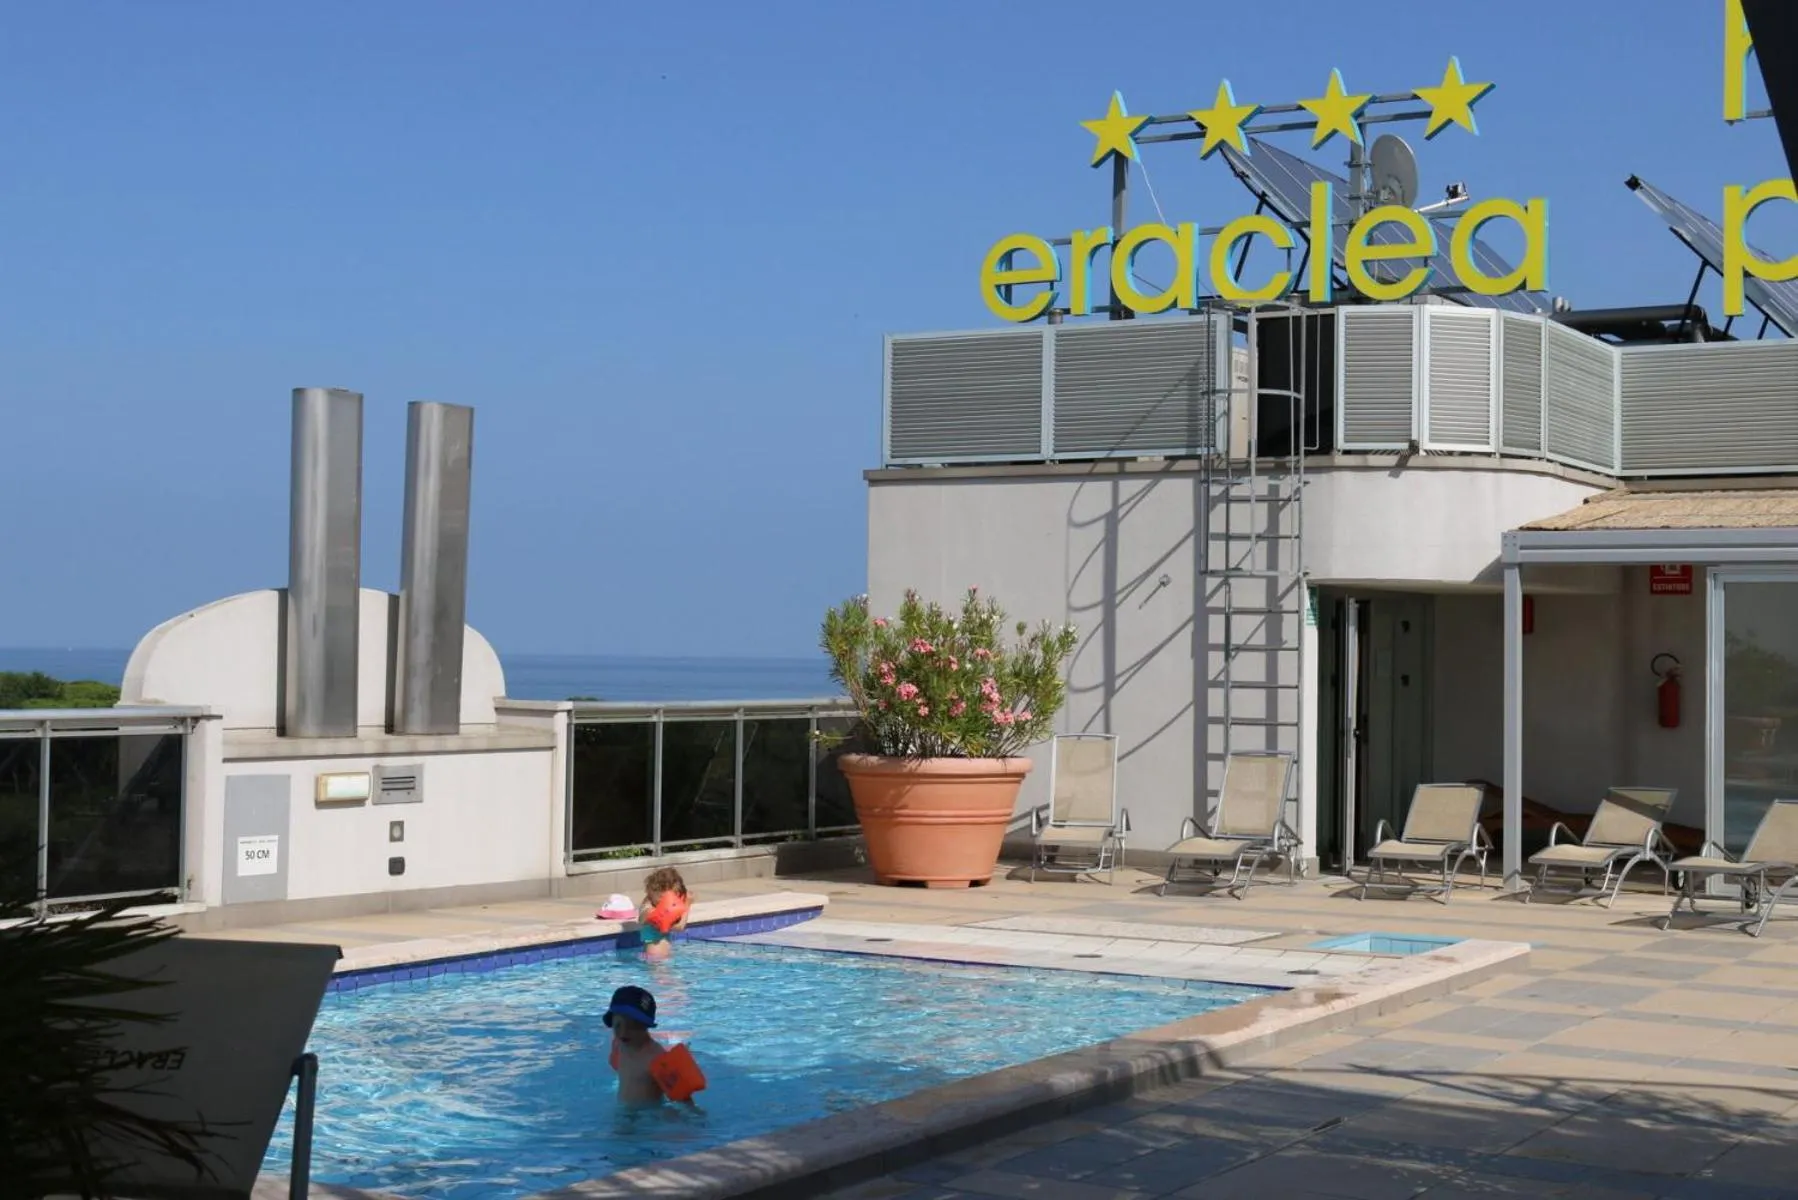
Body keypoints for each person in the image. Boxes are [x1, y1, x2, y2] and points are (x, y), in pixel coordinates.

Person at [605, 985, 669, 1106]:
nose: (623, 1032)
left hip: (648, 1118)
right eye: (618, 1025)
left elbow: (685, 1103)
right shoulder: (619, 1044)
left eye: (633, 1027)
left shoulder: (658, 1058)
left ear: (646, 1026)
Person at [639, 867, 691, 961]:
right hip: (655, 957)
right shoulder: (649, 909)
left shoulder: (656, 906)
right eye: (663, 897)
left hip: (660, 956)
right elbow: (679, 927)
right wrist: (687, 905)